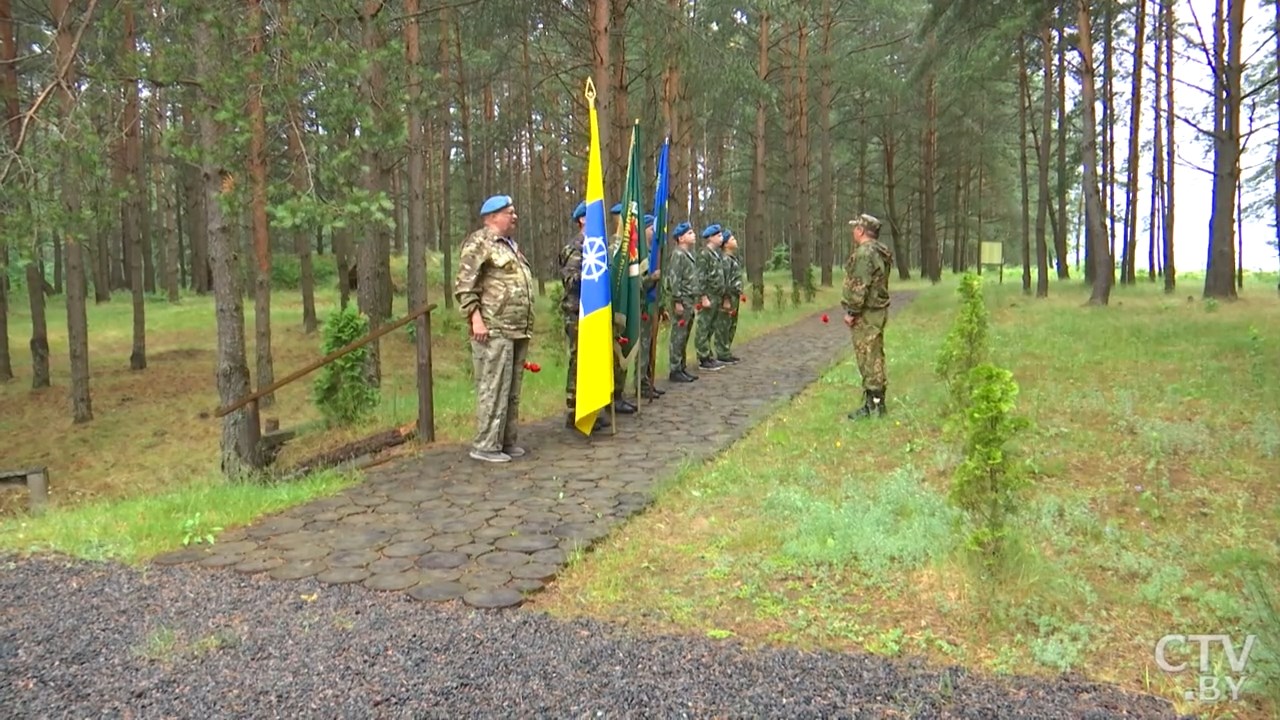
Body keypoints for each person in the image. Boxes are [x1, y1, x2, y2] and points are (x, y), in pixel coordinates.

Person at [453, 194, 535, 462]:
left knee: (511, 389)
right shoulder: (480, 242)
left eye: (514, 211)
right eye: (509, 212)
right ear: (492, 217)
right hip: (493, 327)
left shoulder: (509, 245)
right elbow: (465, 284)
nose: (515, 216)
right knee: (493, 386)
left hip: (516, 328)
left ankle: (505, 441)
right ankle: (486, 445)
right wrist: (475, 318)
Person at [559, 201, 610, 432]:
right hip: (577, 312)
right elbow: (569, 281)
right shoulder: (575, 247)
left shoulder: (597, 246)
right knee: (579, 359)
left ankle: (592, 406)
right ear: (582, 220)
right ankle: (576, 409)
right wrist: (590, 278)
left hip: (594, 312)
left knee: (592, 359)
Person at [842, 213, 893, 419]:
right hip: (876, 311)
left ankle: (873, 404)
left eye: (856, 228)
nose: (853, 231)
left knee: (868, 356)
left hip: (867, 313)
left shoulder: (865, 254)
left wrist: (852, 312)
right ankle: (875, 401)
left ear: (861, 231)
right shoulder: (879, 252)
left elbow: (859, 285)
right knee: (874, 355)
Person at [664, 222, 700, 382]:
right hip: (682, 300)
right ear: (681, 238)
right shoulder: (678, 255)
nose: (694, 235)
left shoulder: (687, 254)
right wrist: (677, 300)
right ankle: (675, 368)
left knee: (684, 334)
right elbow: (674, 278)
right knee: (678, 335)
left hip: (689, 300)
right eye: (690, 233)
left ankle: (681, 366)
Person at [638, 214, 665, 399]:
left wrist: (662, 306)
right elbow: (637, 283)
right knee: (643, 347)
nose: (654, 232)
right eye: (651, 228)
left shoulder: (652, 252)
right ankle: (640, 383)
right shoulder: (641, 255)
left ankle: (647, 381)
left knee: (649, 346)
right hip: (642, 306)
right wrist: (651, 278)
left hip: (651, 306)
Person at [694, 224, 726, 371]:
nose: (721, 238)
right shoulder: (704, 254)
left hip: (716, 295)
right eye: (718, 236)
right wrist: (703, 297)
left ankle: (708, 354)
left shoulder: (715, 254)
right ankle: (703, 357)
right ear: (710, 238)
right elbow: (700, 277)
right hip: (708, 295)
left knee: (711, 326)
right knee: (704, 326)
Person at [715, 228, 743, 364]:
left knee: (731, 324)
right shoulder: (725, 260)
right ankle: (721, 352)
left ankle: (726, 350)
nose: (735, 241)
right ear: (725, 244)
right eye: (732, 239)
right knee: (724, 324)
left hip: (734, 296)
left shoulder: (733, 259)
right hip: (728, 297)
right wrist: (725, 298)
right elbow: (724, 280)